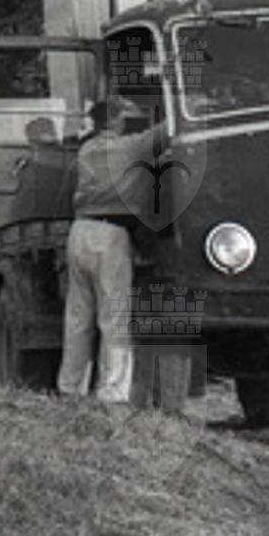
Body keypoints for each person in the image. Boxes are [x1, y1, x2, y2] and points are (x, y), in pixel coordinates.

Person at [58, 96, 168, 408]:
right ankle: (112, 391)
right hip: (111, 235)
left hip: (80, 230)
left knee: (78, 316)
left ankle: (70, 388)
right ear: (117, 120)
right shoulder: (130, 147)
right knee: (114, 315)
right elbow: (168, 131)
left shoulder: (87, 150)